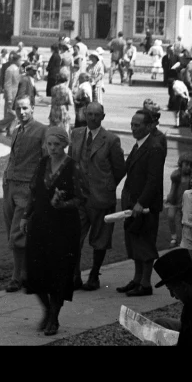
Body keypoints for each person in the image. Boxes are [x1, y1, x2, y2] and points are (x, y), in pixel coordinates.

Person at [23, 126, 83, 336]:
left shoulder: (72, 166)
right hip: (40, 223)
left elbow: (81, 198)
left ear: (65, 145)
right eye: (49, 144)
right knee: (34, 271)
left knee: (59, 273)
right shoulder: (42, 163)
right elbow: (33, 192)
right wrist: (25, 216)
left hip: (64, 227)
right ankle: (47, 310)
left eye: (57, 144)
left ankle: (54, 318)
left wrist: (63, 204)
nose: (52, 148)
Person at [68, 102, 126, 292]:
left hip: (101, 198)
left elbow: (119, 169)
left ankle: (94, 275)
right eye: (89, 114)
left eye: (96, 115)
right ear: (85, 114)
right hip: (79, 198)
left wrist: (107, 186)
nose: (92, 118)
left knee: (100, 239)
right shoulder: (76, 134)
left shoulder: (110, 140)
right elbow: (70, 163)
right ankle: (75, 276)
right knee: (73, 238)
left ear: (103, 116)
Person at [117, 108, 168, 296]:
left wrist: (141, 202)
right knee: (134, 242)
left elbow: (153, 180)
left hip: (144, 205)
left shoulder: (154, 147)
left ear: (148, 126)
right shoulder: (139, 144)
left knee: (145, 243)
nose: (133, 128)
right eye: (132, 125)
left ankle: (145, 283)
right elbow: (127, 167)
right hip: (132, 201)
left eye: (137, 125)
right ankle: (137, 279)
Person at [1, 95, 47, 293]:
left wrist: (38, 187)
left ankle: (16, 276)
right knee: (12, 230)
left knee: (17, 234)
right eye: (18, 109)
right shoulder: (16, 129)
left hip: (27, 188)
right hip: (10, 185)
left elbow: (47, 161)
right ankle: (27, 273)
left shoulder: (42, 131)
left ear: (33, 108)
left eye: (26, 108)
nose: (22, 112)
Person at [164, 153, 192, 247]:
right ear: (181, 164)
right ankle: (173, 237)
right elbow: (173, 189)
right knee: (171, 216)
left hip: (185, 201)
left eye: (190, 165)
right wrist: (169, 198)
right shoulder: (176, 175)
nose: (188, 167)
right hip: (174, 199)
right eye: (186, 165)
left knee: (184, 221)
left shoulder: (191, 177)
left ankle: (185, 238)